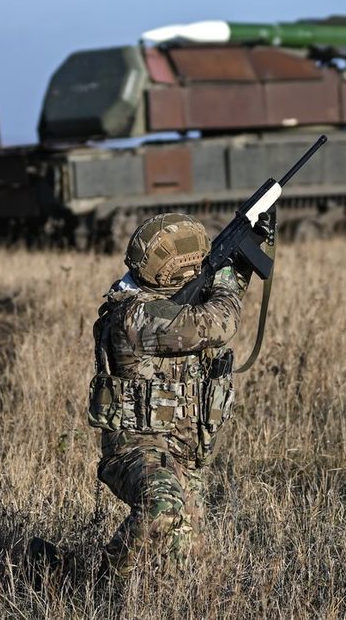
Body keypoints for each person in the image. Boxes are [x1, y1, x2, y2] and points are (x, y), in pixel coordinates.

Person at [87, 212, 271, 575]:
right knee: (162, 508)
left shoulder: (171, 304)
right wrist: (222, 278)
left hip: (183, 451)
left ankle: (97, 580)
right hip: (136, 449)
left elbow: (212, 305)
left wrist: (246, 250)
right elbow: (219, 322)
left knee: (183, 564)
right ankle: (93, 578)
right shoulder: (135, 317)